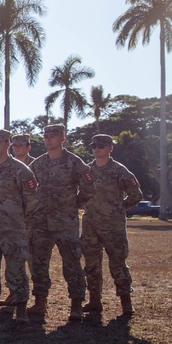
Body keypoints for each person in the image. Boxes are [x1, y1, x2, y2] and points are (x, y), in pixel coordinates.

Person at [27, 124, 95, 321]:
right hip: (40, 222)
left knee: (71, 263)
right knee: (39, 263)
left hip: (65, 222)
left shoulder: (74, 162)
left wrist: (73, 204)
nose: (48, 139)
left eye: (53, 136)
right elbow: (28, 188)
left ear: (62, 138)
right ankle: (40, 303)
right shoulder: (38, 164)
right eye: (46, 136)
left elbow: (89, 188)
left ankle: (76, 305)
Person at [0, 129, 39, 323]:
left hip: (12, 227)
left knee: (16, 267)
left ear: (7, 144)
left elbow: (32, 200)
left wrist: (17, 217)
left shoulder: (20, 170)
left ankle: (20, 307)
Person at [82, 134, 143, 320]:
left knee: (117, 264)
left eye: (101, 145)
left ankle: (126, 303)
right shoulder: (87, 170)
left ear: (110, 148)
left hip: (113, 226)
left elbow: (136, 194)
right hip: (90, 224)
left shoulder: (119, 170)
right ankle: (95, 300)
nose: (97, 149)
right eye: (94, 146)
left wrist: (119, 208)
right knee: (91, 264)